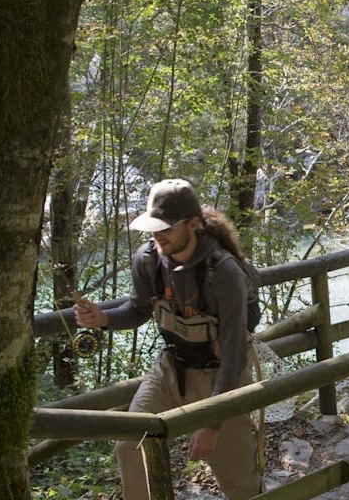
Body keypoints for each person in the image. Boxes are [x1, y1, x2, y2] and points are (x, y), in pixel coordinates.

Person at [74, 179, 260, 500]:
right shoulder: (147, 260)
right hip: (171, 368)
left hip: (222, 377)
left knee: (241, 483)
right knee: (130, 444)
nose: (158, 236)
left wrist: (212, 425)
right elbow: (137, 310)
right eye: (153, 228)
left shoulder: (225, 272)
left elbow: (234, 354)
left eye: (167, 229)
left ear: (193, 224)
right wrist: (103, 319)